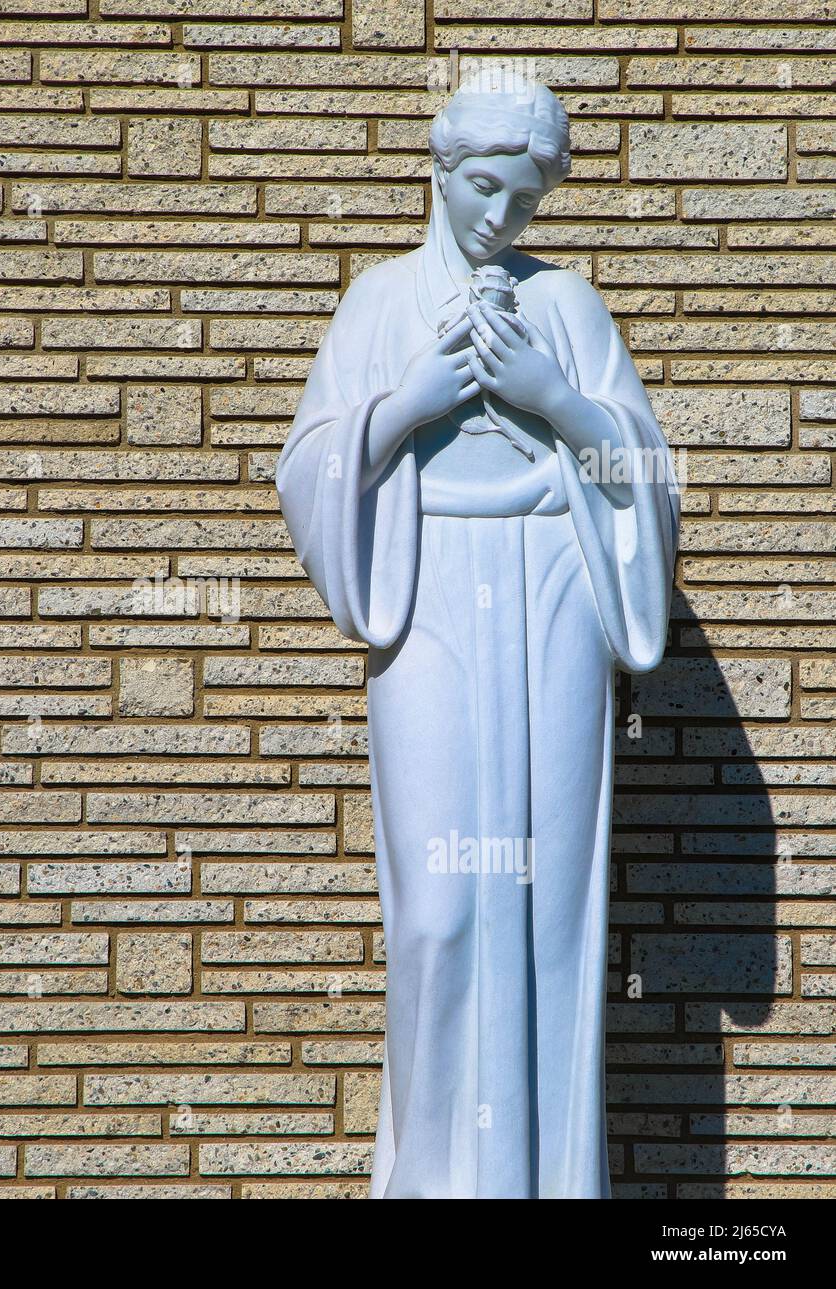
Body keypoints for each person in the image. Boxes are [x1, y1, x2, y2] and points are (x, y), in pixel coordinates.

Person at [274, 70, 681, 1198]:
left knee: (549, 898)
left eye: (526, 200)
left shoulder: (564, 305)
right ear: (440, 168)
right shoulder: (377, 300)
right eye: (486, 189)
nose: (502, 220)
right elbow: (304, 469)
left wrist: (560, 399)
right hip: (434, 595)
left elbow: (644, 480)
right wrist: (404, 406)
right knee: (443, 908)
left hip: (550, 588)